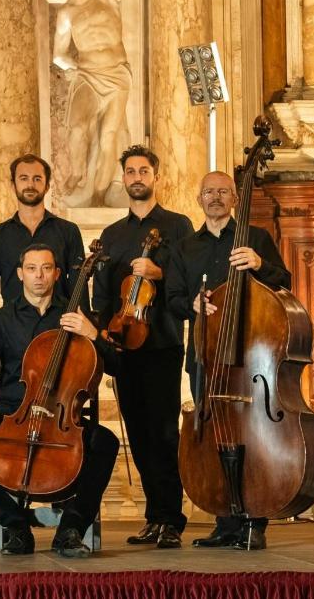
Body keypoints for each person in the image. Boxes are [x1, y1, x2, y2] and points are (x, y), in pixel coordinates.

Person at [0, 245, 119, 557]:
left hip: (62, 419)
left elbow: (116, 366)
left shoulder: (76, 317)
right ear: (20, 274)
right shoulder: (2, 319)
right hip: (13, 414)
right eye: (31, 269)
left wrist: (92, 334)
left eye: (46, 268)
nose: (39, 276)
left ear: (57, 274)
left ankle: (71, 529)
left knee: (106, 443)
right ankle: (16, 526)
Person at [165, 170, 292, 551]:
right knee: (215, 436)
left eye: (223, 191)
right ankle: (225, 521)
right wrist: (192, 304)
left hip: (253, 357)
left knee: (254, 436)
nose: (216, 197)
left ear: (235, 198)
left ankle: (255, 519)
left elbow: (284, 282)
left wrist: (259, 264)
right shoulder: (185, 248)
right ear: (199, 199)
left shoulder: (256, 239)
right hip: (206, 354)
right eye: (209, 191)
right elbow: (172, 299)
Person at [91, 145, 194, 549]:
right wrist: (106, 332)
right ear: (124, 179)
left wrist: (159, 272)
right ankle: (154, 517)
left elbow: (187, 283)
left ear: (156, 177)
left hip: (163, 343)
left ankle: (171, 518)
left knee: (164, 433)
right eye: (131, 171)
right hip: (125, 347)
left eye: (144, 171)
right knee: (137, 434)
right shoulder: (113, 235)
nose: (137, 177)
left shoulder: (178, 226)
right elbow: (103, 295)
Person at [51, 0, 132, 208]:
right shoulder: (66, 13)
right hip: (87, 75)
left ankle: (99, 194)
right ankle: (77, 172)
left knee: (109, 136)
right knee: (77, 128)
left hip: (116, 75)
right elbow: (58, 54)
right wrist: (70, 66)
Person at [0, 154, 85, 332]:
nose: (30, 185)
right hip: (11, 333)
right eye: (23, 178)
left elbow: (79, 289)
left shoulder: (69, 231)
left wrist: (82, 335)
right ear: (13, 185)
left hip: (58, 330)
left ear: (47, 185)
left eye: (37, 179)